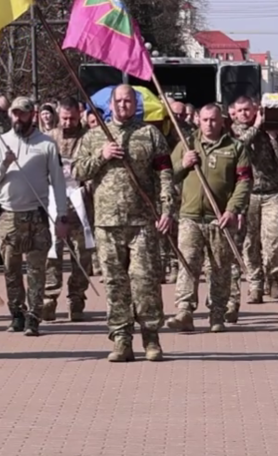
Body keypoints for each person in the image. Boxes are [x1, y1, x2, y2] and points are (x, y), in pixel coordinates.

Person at [74, 85, 173, 362]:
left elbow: (165, 174)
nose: (123, 105)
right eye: (118, 101)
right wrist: (101, 156)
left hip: (142, 220)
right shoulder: (95, 136)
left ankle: (151, 338)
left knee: (144, 282)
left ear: (135, 103)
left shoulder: (150, 134)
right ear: (110, 104)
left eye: (128, 100)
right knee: (116, 284)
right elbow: (78, 170)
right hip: (107, 221)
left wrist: (167, 209)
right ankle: (121, 339)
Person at [0, 96, 68, 337]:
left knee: (37, 269)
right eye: (15, 113)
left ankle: (34, 316)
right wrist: (5, 164)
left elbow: (58, 183)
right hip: (9, 216)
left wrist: (61, 216)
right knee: (11, 268)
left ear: (33, 115)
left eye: (23, 113)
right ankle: (17, 313)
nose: (18, 118)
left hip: (36, 216)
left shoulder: (47, 145)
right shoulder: (0, 143)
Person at [167, 103, 251, 332]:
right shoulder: (186, 145)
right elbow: (166, 174)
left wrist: (232, 209)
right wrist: (183, 165)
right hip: (190, 216)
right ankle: (184, 311)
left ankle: (217, 314)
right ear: (198, 121)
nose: (209, 124)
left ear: (222, 121)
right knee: (188, 263)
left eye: (213, 120)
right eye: (205, 120)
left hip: (219, 217)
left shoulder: (235, 147)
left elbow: (244, 182)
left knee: (220, 267)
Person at [230, 97, 278, 304]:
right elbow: (237, 148)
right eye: (240, 110)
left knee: (274, 239)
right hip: (247, 193)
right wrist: (257, 127)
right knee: (250, 242)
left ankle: (273, 278)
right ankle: (255, 284)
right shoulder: (234, 131)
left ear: (256, 109)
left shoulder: (270, 131)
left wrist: (275, 138)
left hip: (272, 192)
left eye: (247, 110)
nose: (243, 114)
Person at [43, 97, 93, 322]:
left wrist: (86, 186)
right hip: (55, 202)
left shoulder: (88, 139)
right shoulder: (49, 138)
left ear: (79, 115)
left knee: (82, 255)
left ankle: (76, 299)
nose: (68, 122)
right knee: (51, 253)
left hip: (80, 204)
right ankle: (49, 298)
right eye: (64, 118)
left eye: (72, 118)